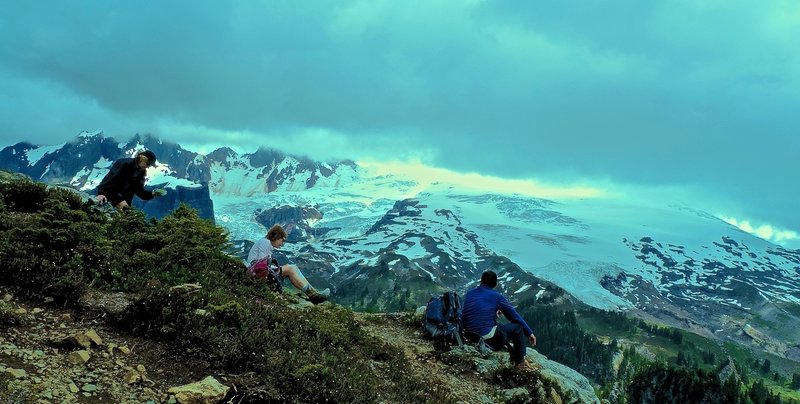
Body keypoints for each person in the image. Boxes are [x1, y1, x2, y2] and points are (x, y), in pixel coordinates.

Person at [462, 270, 538, 370]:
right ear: (495, 284)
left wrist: (494, 314)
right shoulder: (497, 297)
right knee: (518, 328)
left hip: (469, 335)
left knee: (497, 326)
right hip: (486, 337)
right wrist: (529, 333)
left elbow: (477, 314)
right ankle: (520, 362)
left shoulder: (470, 293)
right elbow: (514, 316)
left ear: (481, 281)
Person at [247, 224, 330, 304]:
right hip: (256, 275)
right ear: (276, 237)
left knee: (293, 267)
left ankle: (313, 292)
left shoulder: (266, 243)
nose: (283, 244)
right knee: (290, 269)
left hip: (258, 273)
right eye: (282, 240)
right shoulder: (265, 243)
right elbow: (262, 265)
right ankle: (313, 294)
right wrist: (278, 268)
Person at [95, 150, 165, 210]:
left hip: (126, 199)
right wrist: (101, 193)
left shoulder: (142, 172)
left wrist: (153, 193)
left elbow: (139, 190)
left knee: (128, 218)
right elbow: (109, 179)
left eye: (149, 165)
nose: (148, 167)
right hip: (112, 193)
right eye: (147, 164)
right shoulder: (124, 163)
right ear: (142, 158)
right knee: (128, 214)